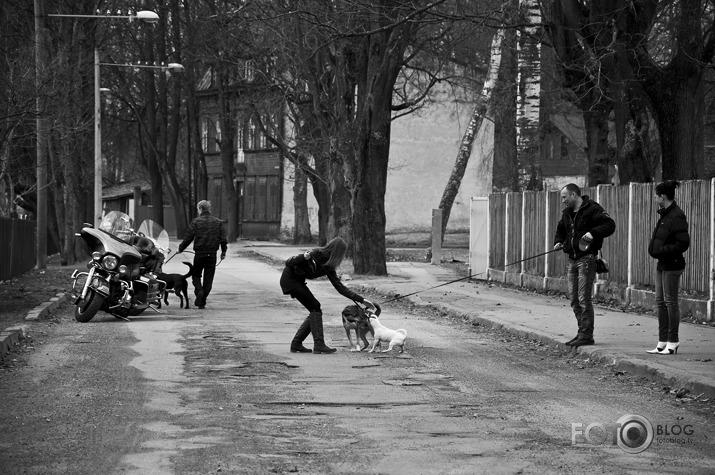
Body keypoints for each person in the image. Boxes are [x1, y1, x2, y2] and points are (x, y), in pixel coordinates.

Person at [280, 237, 375, 354]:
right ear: (337, 252)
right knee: (315, 307)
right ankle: (318, 344)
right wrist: (303, 257)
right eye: (342, 253)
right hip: (290, 280)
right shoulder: (316, 254)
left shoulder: (329, 266)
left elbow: (340, 287)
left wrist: (362, 300)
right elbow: (289, 262)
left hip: (298, 282)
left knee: (315, 308)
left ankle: (297, 344)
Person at [553, 183, 615, 347]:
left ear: (574, 195)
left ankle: (586, 335)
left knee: (583, 299)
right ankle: (582, 332)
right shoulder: (567, 213)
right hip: (572, 259)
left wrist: (592, 233)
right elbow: (561, 229)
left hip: (587, 259)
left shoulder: (592, 208)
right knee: (574, 300)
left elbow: (610, 225)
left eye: (564, 197)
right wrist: (559, 242)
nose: (563, 201)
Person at [646, 180, 690, 355]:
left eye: (656, 195)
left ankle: (673, 341)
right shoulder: (665, 214)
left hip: (672, 265)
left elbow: (683, 243)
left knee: (671, 302)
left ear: (662, 197)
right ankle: (662, 341)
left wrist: (662, 251)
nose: (655, 198)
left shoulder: (676, 215)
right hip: (662, 264)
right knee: (660, 302)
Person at [178, 200, 227, 309]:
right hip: (212, 254)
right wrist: (223, 252)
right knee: (208, 279)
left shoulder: (196, 222)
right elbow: (223, 239)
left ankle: (199, 291)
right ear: (209, 209)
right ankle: (202, 301)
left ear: (200, 209)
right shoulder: (218, 222)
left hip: (199, 254)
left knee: (196, 275)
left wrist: (181, 249)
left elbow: (188, 237)